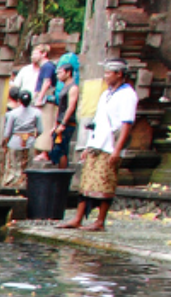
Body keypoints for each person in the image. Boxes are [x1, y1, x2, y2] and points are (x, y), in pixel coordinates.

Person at [63, 60, 136, 232]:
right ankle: (78, 218)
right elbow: (97, 122)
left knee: (105, 183)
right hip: (97, 142)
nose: (105, 76)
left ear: (119, 74)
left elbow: (126, 124)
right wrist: (88, 145)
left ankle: (100, 221)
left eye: (108, 73)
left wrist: (117, 150)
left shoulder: (128, 95)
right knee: (87, 183)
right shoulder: (105, 94)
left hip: (110, 145)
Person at [0, 89, 43, 190]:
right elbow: (40, 130)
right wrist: (33, 136)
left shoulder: (12, 114)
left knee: (14, 165)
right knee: (28, 165)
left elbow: (7, 132)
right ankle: (25, 183)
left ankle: (13, 184)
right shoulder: (37, 113)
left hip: (15, 140)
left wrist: (6, 141)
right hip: (30, 140)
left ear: (19, 100)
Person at [47, 61, 81, 167]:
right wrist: (55, 125)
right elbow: (60, 107)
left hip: (67, 122)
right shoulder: (64, 87)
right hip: (60, 121)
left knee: (62, 149)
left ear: (68, 73)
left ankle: (62, 172)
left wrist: (63, 123)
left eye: (60, 73)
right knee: (57, 149)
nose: (58, 76)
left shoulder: (73, 88)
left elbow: (71, 106)